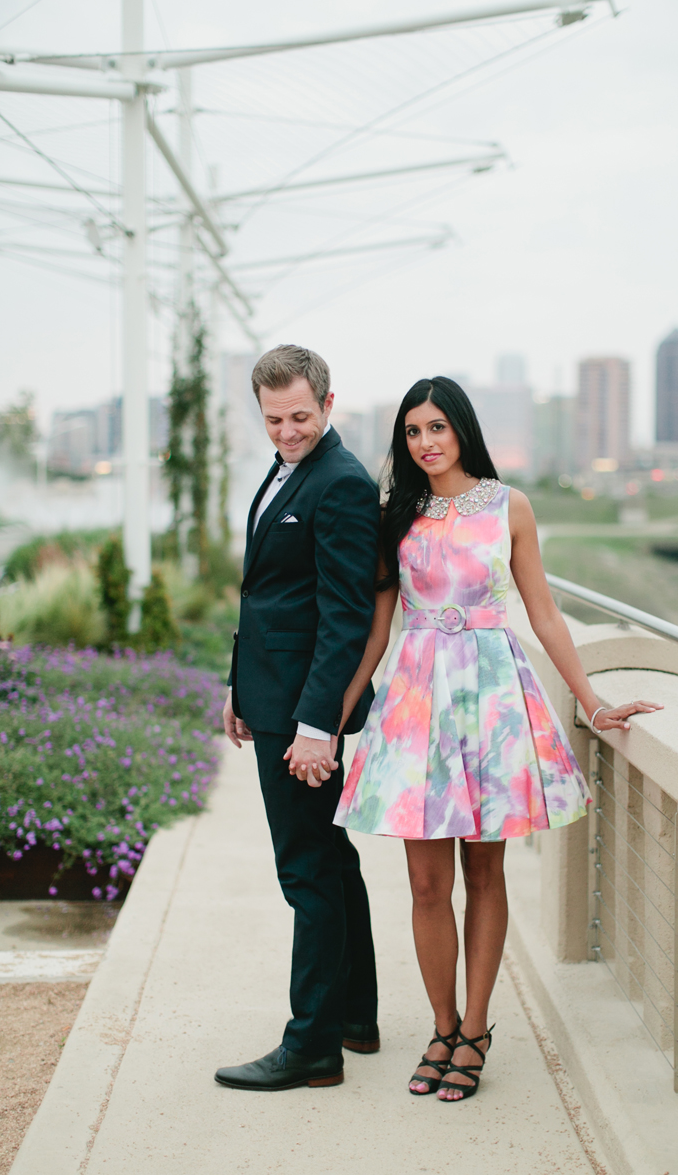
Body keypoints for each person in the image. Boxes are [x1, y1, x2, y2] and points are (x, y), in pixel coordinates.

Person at [326, 376, 663, 1103]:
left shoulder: (510, 506)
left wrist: (592, 700)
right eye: (412, 431)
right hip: (418, 701)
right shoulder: (396, 516)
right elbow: (377, 631)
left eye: (437, 427)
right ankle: (441, 1026)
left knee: (484, 875)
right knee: (424, 883)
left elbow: (542, 613)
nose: (425, 442)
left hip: (492, 699)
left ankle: (475, 1029)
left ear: (462, 430)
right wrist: (329, 719)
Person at [215, 345, 381, 1093]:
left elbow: (346, 616)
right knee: (331, 859)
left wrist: (318, 726)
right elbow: (270, 594)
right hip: (274, 693)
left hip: (305, 710)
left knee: (306, 872)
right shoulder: (291, 468)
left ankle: (311, 1047)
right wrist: (240, 687)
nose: (287, 431)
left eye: (301, 417)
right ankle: (353, 1015)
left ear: (328, 403)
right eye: (274, 419)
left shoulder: (340, 482)